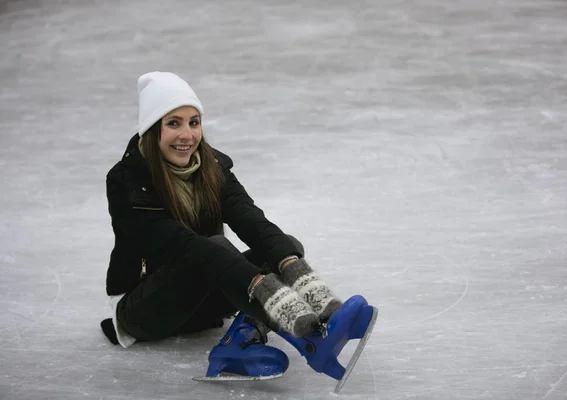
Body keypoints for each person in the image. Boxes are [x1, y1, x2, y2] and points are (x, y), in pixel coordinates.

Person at [101, 71, 377, 386]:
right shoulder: (127, 181)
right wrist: (260, 284)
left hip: (202, 296)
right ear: (152, 130)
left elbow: (250, 220)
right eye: (173, 123)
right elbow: (183, 246)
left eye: (194, 122)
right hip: (145, 308)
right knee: (217, 248)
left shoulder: (212, 167)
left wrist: (298, 272)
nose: (187, 135)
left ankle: (241, 341)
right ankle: (313, 341)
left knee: (283, 244)